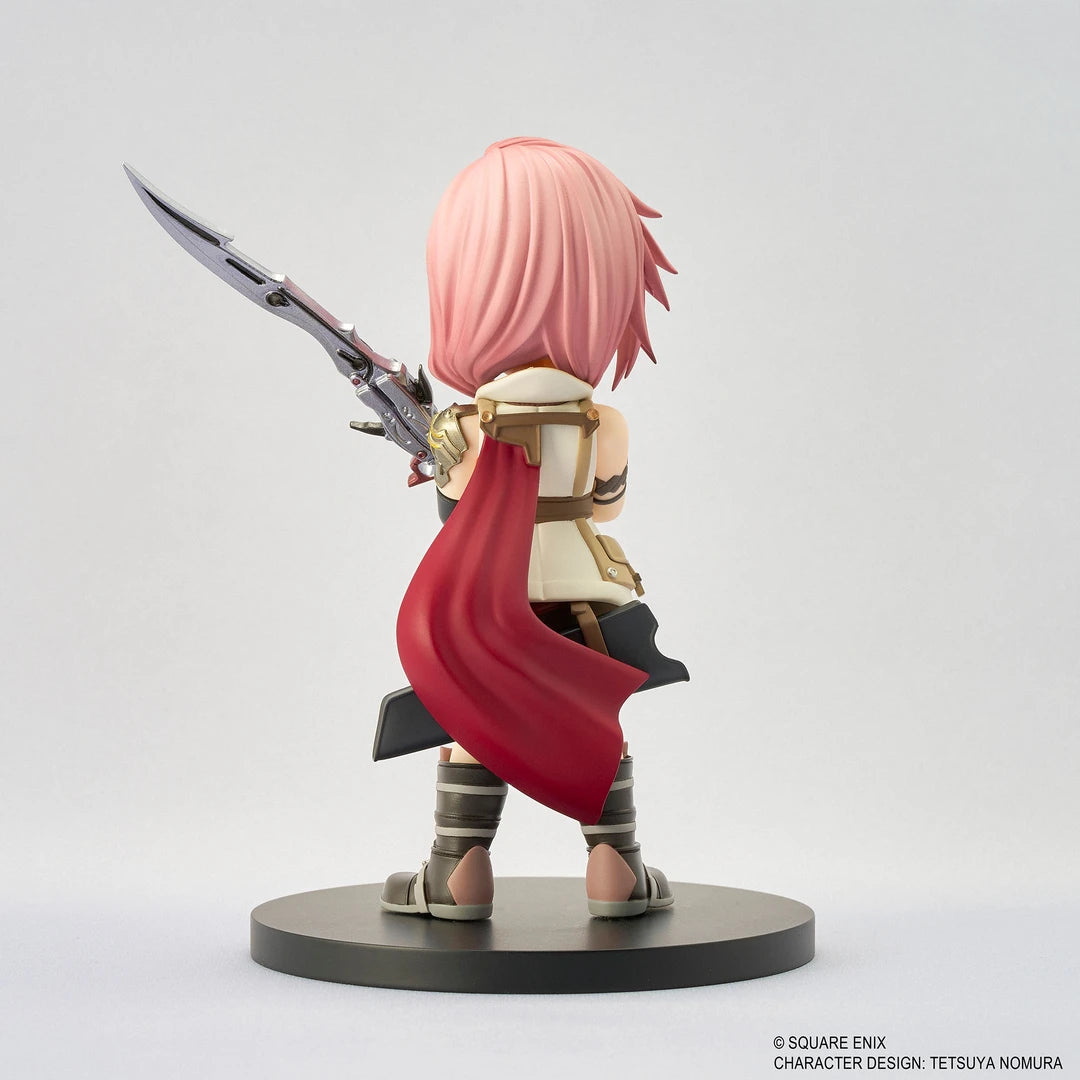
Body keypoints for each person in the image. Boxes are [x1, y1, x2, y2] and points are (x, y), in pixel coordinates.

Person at [381, 137, 677, 920]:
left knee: (474, 720)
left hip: (487, 607)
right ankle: (616, 867)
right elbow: (605, 507)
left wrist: (436, 452)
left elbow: (454, 512)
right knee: (592, 718)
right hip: (586, 600)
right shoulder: (604, 423)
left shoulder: (460, 429)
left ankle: (457, 871)